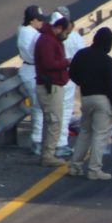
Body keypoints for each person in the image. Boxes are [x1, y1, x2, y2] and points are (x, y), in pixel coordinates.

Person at [67, 27, 112, 181]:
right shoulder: (107, 61)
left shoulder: (82, 54)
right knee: (100, 135)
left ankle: (75, 166)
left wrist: (83, 83)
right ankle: (94, 170)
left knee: (85, 132)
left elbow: (72, 74)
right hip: (103, 100)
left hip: (86, 97)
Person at [48, 6, 86, 158]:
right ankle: (60, 144)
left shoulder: (46, 36)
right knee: (64, 111)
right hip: (67, 79)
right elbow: (82, 58)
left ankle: (48, 144)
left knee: (50, 113)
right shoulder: (74, 37)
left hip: (48, 78)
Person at [33, 16, 71, 167]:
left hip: (53, 85)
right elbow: (49, 63)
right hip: (50, 86)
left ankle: (47, 153)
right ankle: (48, 155)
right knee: (54, 122)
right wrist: (66, 62)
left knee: (52, 121)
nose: (67, 36)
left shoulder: (50, 39)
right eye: (66, 32)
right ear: (59, 28)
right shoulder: (47, 40)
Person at [17, 5, 45, 155]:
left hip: (27, 70)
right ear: (33, 20)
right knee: (39, 107)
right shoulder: (32, 35)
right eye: (39, 20)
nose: (41, 23)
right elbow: (39, 54)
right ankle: (37, 141)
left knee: (39, 107)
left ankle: (38, 139)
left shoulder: (22, 30)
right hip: (33, 71)